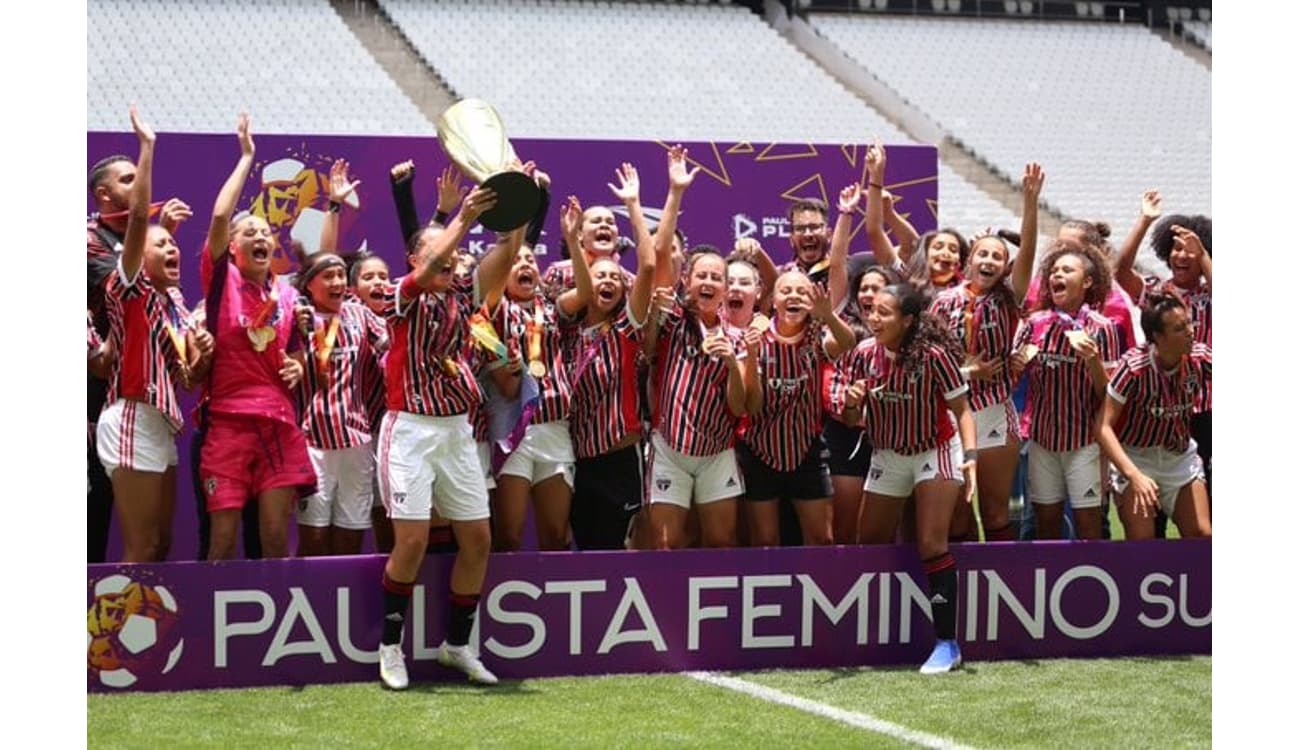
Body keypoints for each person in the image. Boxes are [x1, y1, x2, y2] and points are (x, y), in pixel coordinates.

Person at [374, 182, 523, 690]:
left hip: (457, 431)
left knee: (478, 540)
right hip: (410, 428)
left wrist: (520, 205)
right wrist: (460, 218)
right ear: (415, 257)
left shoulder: (464, 295)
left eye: (454, 255)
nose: (452, 261)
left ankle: (456, 646)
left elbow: (505, 256)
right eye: (439, 252)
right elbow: (436, 260)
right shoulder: (401, 296)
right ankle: (391, 647)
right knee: (411, 542)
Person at [833, 283, 977, 673]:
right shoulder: (864, 354)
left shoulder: (934, 357)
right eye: (872, 310)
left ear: (908, 320)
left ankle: (948, 644)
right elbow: (851, 420)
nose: (874, 318)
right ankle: (878, 635)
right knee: (870, 541)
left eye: (885, 312)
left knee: (931, 541)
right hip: (888, 455)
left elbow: (961, 409)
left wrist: (972, 458)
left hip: (935, 449)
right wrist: (851, 405)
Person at [96, 108, 212, 562]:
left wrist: (202, 355)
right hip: (130, 417)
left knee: (161, 546)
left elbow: (188, 379)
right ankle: (106, 634)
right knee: (140, 547)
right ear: (133, 256)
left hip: (162, 423)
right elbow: (140, 217)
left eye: (174, 243)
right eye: (160, 244)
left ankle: (152, 629)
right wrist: (147, 149)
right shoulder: (130, 287)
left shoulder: (177, 305)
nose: (172, 247)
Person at [197, 113, 314, 560]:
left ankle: (278, 625)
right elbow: (222, 214)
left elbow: (296, 354)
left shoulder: (287, 294)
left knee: (274, 539)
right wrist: (248, 156)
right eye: (251, 233)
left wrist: (297, 365)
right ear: (235, 246)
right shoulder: (220, 278)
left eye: (265, 232)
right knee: (223, 541)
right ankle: (212, 625)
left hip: (280, 425)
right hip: (227, 421)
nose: (261, 236)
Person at [928, 162, 1045, 543]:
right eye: (983, 254)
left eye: (998, 257)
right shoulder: (942, 302)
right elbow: (929, 365)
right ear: (968, 261)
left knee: (996, 513)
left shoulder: (1008, 298)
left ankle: (1002, 589)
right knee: (958, 517)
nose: (990, 261)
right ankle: (966, 592)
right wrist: (968, 374)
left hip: (995, 413)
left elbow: (1027, 249)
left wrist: (1029, 202)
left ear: (1005, 267)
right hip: (949, 415)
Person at [87, 147, 191, 563]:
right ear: (102, 194)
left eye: (139, 176)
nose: (140, 186)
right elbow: (127, 279)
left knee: (154, 545)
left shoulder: (168, 295)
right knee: (95, 519)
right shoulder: (86, 239)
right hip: (101, 392)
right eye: (127, 179)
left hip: (143, 396)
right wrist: (148, 148)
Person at [293, 161, 389, 556]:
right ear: (308, 284)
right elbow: (323, 253)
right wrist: (334, 205)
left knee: (350, 539)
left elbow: (389, 345)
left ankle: (340, 616)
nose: (335, 281)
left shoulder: (358, 312)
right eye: (326, 276)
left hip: (356, 441)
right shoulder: (297, 313)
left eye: (340, 276)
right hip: (312, 441)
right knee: (314, 540)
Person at [488, 183, 590, 552]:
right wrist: (517, 220)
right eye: (516, 261)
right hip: (514, 429)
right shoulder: (495, 308)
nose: (525, 264)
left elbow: (586, 294)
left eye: (531, 260)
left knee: (556, 537)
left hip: (555, 430)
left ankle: (555, 608)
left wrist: (571, 239)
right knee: (510, 536)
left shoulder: (551, 308)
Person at [568, 171, 658, 549]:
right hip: (578, 460)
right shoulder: (565, 333)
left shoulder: (626, 327)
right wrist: (572, 238)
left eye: (614, 278)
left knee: (618, 547)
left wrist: (633, 206)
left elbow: (650, 267)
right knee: (584, 547)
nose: (606, 281)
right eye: (597, 276)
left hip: (620, 459)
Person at [643, 246, 753, 549]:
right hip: (669, 449)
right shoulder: (674, 319)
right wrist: (654, 316)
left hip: (716, 452)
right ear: (688, 280)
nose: (708, 282)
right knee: (664, 545)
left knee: (722, 542)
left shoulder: (737, 338)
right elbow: (648, 349)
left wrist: (732, 364)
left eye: (716, 277)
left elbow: (738, 405)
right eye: (701, 275)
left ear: (725, 288)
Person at [1010, 242, 1121, 541]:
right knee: (1046, 526)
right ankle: (1048, 587)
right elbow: (1008, 380)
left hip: (1084, 442)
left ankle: (1093, 585)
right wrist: (1016, 365)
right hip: (1042, 441)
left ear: (1087, 282)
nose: (1057, 274)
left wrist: (1093, 360)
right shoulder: (1034, 324)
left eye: (1067, 270)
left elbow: (1107, 395)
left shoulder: (1102, 328)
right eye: (1054, 270)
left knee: (1089, 527)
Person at [739, 271, 855, 546]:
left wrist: (828, 315)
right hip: (759, 452)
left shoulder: (817, 335)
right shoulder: (755, 338)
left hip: (806, 451)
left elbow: (848, 344)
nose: (794, 296)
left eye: (802, 292)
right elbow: (751, 406)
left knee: (821, 539)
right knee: (765, 540)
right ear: (773, 301)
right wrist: (753, 356)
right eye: (786, 291)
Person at [1111, 195, 1211, 496]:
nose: (1182, 255)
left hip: (1209, 409)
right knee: (1158, 497)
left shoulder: (1212, 292)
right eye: (1176, 248)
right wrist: (1144, 221)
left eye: (1190, 250)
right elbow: (1121, 272)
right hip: (1163, 410)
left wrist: (1204, 254)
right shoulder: (1158, 292)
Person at [1096, 293, 1211, 540]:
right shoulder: (1134, 367)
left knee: (1202, 535)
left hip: (1178, 457)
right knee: (1143, 541)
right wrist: (1134, 475)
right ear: (1157, 337)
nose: (1190, 332)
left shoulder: (1200, 358)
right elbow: (1103, 428)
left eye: (1189, 323)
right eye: (1179, 328)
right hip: (1137, 458)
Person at [823, 263, 897, 544]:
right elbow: (832, 388)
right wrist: (851, 404)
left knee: (881, 533)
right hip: (845, 438)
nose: (868, 294)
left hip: (890, 441)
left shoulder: (907, 343)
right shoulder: (844, 335)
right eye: (863, 288)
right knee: (844, 529)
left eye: (875, 288)